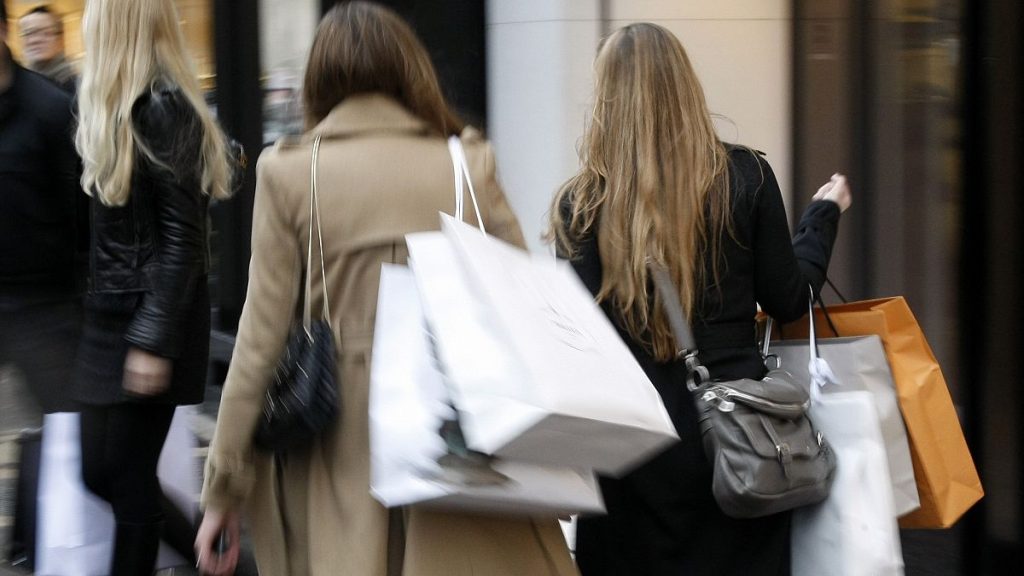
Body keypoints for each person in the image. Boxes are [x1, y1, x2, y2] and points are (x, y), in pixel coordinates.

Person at [195, 3, 577, 576]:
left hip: (338, 438)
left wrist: (223, 488)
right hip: (455, 425)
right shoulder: (465, 163)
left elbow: (258, 345)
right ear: (410, 71)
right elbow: (516, 298)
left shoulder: (293, 173)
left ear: (319, 80)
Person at [549, 23, 851, 576]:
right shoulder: (747, 176)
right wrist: (822, 217)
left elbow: (575, 342)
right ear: (686, 86)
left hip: (632, 452)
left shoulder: (583, 203)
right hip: (739, 443)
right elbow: (790, 300)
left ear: (607, 99)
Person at [72, 0, 234, 573]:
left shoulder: (166, 108)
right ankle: (223, 560)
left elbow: (184, 243)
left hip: (147, 320)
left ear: (117, 24)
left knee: (128, 479)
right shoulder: (112, 107)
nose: (87, 24)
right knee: (98, 472)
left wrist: (153, 339)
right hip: (107, 316)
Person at [1, 0, 83, 567]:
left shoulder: (50, 109)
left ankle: (55, 548)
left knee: (74, 445)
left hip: (46, 306)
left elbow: (82, 218)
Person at [18, 4, 76, 93]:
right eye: (28, 33)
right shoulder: (17, 85)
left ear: (61, 40)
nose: (35, 40)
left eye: (46, 33)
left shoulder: (76, 87)